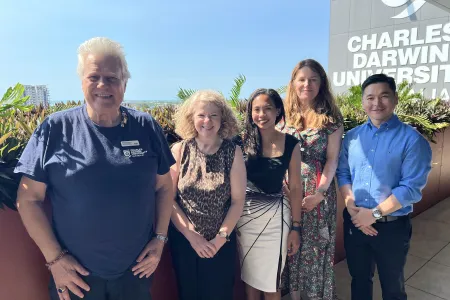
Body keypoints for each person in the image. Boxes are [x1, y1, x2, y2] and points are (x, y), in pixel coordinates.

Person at [14, 37, 175, 300]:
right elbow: (28, 198)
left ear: (125, 82)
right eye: (94, 77)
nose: (103, 85)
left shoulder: (146, 126)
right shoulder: (55, 128)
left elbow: (164, 186)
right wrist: (55, 260)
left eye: (112, 78)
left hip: (135, 274)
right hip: (75, 276)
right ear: (81, 81)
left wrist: (160, 239)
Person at [336, 73, 432, 300]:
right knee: (359, 281)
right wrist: (351, 207)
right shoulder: (351, 137)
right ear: (362, 101)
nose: (376, 103)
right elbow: (343, 173)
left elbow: (410, 188)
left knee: (392, 287)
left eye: (384, 96)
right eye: (370, 97)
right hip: (355, 222)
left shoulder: (412, 140)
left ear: (395, 99)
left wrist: (375, 214)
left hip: (391, 228)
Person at [169, 90, 246, 300]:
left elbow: (238, 201)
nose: (207, 121)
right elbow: (169, 199)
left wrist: (220, 239)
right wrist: (192, 236)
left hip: (220, 243)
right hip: (185, 242)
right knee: (189, 294)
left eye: (214, 115)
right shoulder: (179, 150)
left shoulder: (233, 152)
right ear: (191, 118)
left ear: (223, 119)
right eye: (201, 115)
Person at [280, 59, 344, 300]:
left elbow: (332, 159)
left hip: (317, 193)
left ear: (321, 84)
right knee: (292, 247)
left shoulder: (331, 119)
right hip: (288, 192)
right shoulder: (284, 117)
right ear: (294, 83)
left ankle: (317, 296)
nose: (307, 84)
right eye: (302, 79)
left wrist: (320, 193)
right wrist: (282, 184)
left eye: (313, 79)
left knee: (316, 249)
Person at [237, 88, 303, 300]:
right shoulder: (240, 142)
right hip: (244, 220)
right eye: (256, 109)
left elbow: (295, 187)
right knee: (250, 279)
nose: (261, 114)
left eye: (267, 109)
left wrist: (296, 227)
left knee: (271, 281)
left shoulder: (291, 143)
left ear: (278, 111)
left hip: (276, 222)